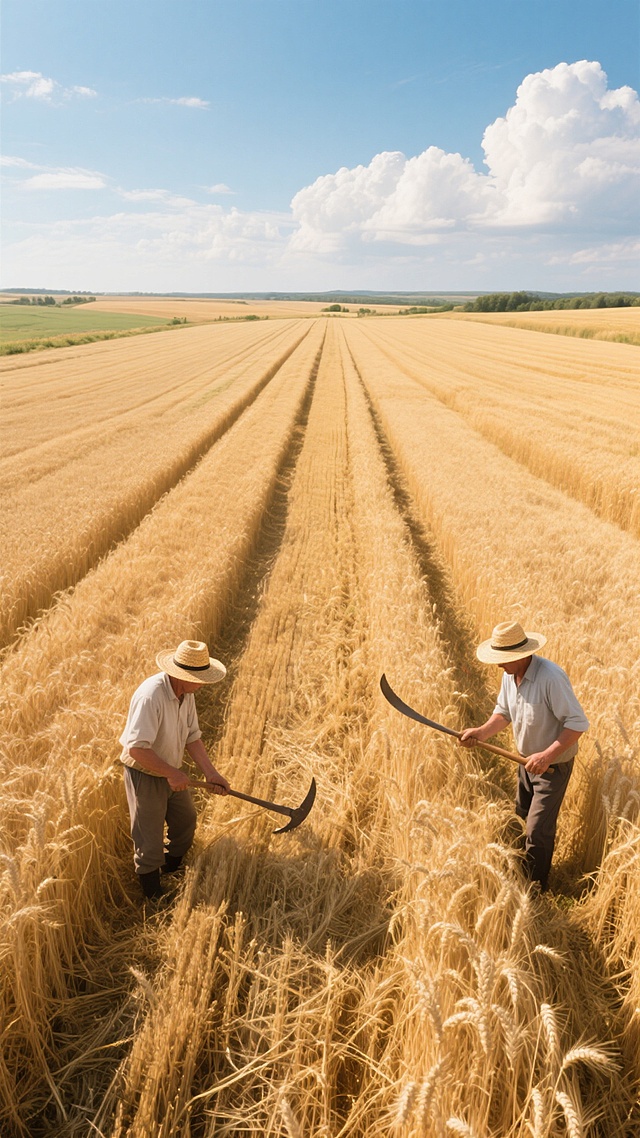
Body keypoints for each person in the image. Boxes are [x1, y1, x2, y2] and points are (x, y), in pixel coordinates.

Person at [459, 620, 589, 891]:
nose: (498, 666)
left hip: (552, 767)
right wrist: (481, 733)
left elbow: (577, 723)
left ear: (520, 655)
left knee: (537, 831)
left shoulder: (551, 678)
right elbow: (503, 712)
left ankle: (535, 889)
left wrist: (546, 755)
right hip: (524, 762)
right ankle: (521, 874)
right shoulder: (510, 676)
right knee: (521, 816)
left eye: (502, 660)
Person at [120, 639, 230, 900]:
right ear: (184, 675)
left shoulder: (186, 694)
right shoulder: (151, 696)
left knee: (185, 822)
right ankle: (153, 897)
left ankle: (171, 868)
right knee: (149, 839)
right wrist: (171, 772)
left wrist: (211, 773)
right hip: (144, 774)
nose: (204, 683)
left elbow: (192, 736)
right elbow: (136, 748)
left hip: (171, 771)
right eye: (201, 678)